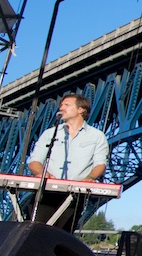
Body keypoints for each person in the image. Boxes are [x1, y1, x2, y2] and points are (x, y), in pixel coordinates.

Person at [27, 93, 110, 230]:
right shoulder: (50, 134)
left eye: (66, 105)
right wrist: (43, 173)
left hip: (75, 197)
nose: (61, 108)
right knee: (35, 232)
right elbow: (34, 161)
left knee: (62, 235)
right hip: (45, 192)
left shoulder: (97, 136)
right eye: (61, 105)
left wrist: (90, 178)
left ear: (81, 109)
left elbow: (100, 163)